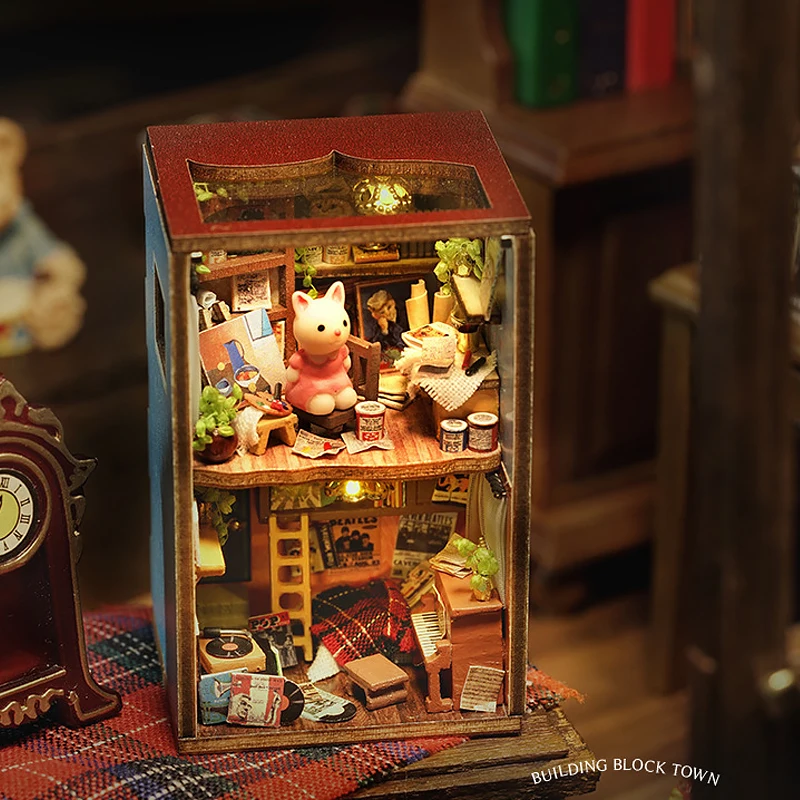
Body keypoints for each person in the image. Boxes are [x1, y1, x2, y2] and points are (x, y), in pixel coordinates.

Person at [365, 289, 404, 357]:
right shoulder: (379, 323)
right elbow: (376, 346)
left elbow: (401, 342)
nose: (388, 313)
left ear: (393, 302)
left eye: (389, 307)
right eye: (382, 312)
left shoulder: (404, 313)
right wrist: (384, 331)